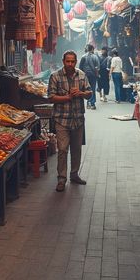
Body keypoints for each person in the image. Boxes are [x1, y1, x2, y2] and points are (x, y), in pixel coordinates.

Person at [48, 50, 92, 192]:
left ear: (76, 61)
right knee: (62, 149)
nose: (70, 64)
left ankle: (74, 174)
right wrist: (68, 97)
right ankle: (61, 179)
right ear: (63, 61)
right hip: (62, 119)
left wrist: (81, 93)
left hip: (78, 118)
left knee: (76, 149)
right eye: (68, 61)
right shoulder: (55, 76)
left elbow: (90, 94)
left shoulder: (82, 75)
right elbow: (51, 97)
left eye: (73, 61)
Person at [78, 45, 100, 109]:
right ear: (92, 49)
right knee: (93, 89)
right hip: (93, 75)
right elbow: (97, 67)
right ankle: (92, 103)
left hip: (85, 76)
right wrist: (97, 74)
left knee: (87, 89)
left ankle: (88, 102)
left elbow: (80, 68)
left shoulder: (83, 56)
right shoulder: (95, 57)